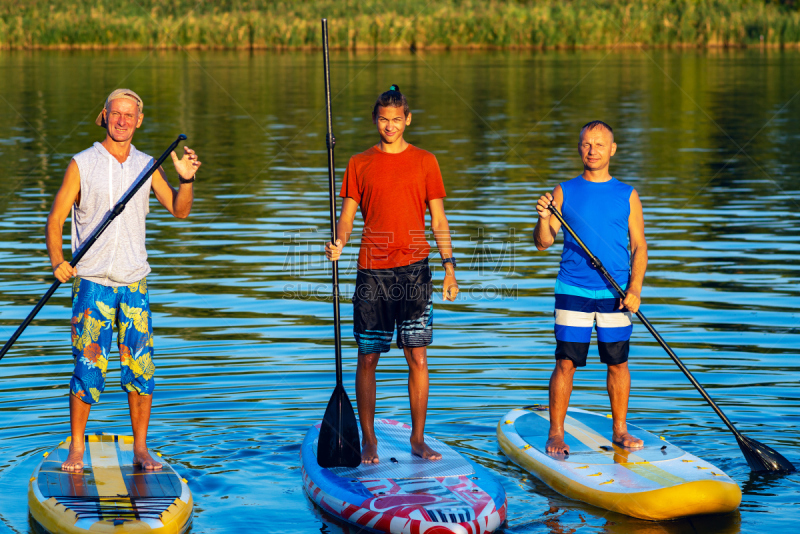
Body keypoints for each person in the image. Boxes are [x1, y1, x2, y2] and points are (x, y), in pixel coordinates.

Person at [46, 89, 202, 472]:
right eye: (116, 113)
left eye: (129, 115)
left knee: (141, 370)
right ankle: (77, 449)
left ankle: (140, 449)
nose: (122, 120)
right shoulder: (82, 163)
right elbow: (55, 219)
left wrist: (187, 181)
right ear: (105, 116)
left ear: (139, 120)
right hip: (92, 283)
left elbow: (180, 213)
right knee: (88, 367)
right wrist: (57, 262)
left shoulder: (149, 165)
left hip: (134, 283)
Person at [325, 85, 458, 464]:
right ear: (375, 120)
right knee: (368, 357)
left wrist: (449, 269)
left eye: (397, 120)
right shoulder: (359, 163)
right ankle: (369, 439)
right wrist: (338, 242)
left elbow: (439, 219)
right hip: (373, 273)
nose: (390, 126)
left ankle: (417, 439)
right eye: (384, 120)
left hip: (415, 271)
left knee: (417, 356)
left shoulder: (425, 161)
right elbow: (348, 219)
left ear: (408, 120)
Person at [533, 120, 648, 454]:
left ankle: (620, 431)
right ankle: (556, 433)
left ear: (612, 149)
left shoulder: (627, 194)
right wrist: (543, 218)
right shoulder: (563, 191)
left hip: (616, 292)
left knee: (617, 362)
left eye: (599, 144)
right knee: (566, 361)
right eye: (586, 144)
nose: (592, 150)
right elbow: (543, 243)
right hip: (573, 289)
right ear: (579, 147)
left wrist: (635, 288)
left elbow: (639, 246)